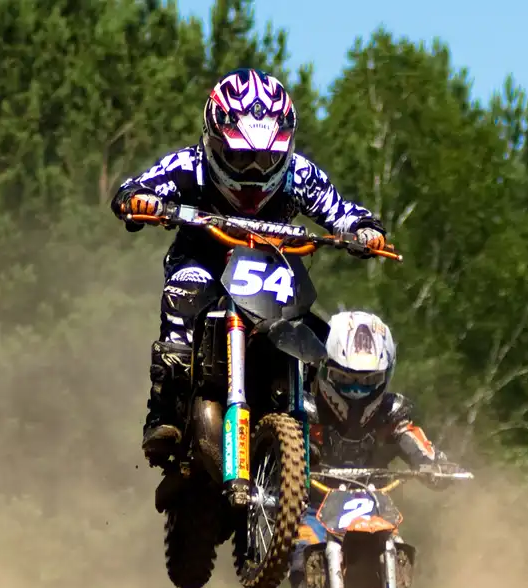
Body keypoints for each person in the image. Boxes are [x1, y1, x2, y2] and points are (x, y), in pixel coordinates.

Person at [109, 67, 388, 466]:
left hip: (273, 271)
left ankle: (324, 436)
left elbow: (339, 210)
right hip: (203, 262)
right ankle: (165, 412)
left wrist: (364, 230)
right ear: (213, 141)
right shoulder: (189, 166)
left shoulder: (299, 175)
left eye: (267, 158)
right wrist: (139, 200)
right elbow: (136, 188)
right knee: (182, 294)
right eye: (241, 157)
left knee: (324, 342)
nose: (255, 170)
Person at [286, 309, 460, 588]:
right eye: (345, 378)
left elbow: (417, 444)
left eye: (367, 382)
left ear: (385, 375)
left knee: (399, 544)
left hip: (373, 508)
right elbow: (280, 445)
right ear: (324, 369)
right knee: (303, 542)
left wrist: (434, 465)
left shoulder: (391, 415)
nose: (355, 391)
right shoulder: (305, 411)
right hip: (316, 506)